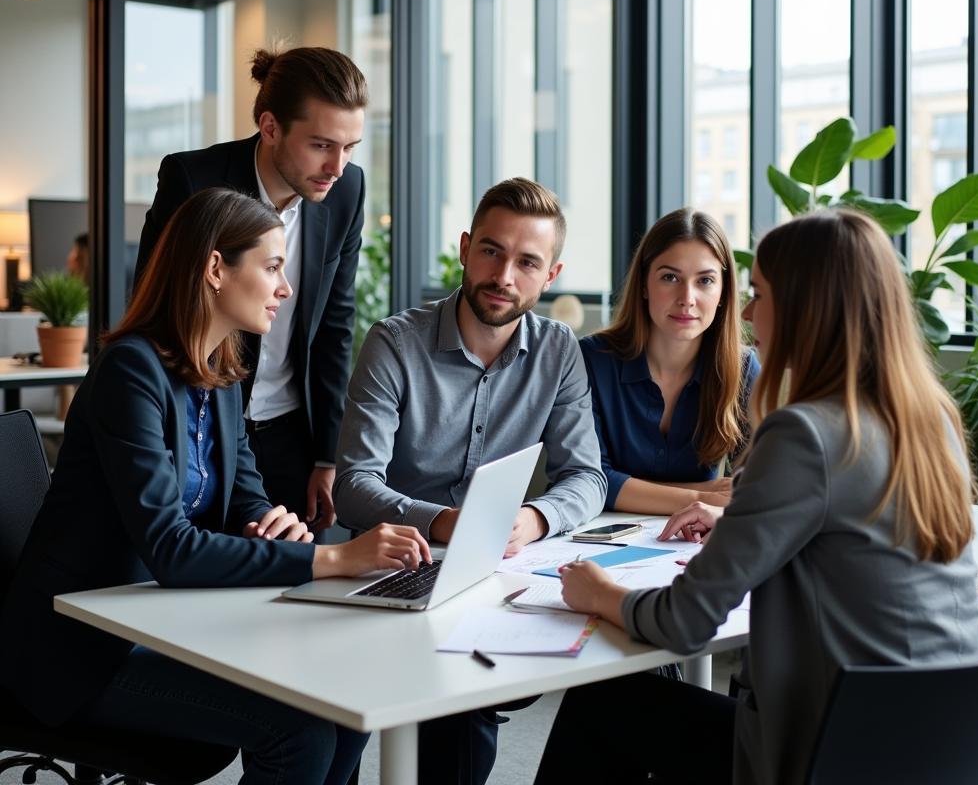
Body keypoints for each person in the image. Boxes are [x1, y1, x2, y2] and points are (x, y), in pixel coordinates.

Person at [535, 207, 978, 785]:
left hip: (838, 751)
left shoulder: (805, 433)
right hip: (950, 740)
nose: (746, 312)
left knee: (604, 704)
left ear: (807, 307)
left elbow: (685, 623)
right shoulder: (930, 418)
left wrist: (600, 593)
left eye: (759, 293)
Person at [0, 188, 431, 784]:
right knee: (299, 731)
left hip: (161, 617)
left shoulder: (222, 373)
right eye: (273, 267)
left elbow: (244, 499)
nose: (285, 288)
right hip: (79, 648)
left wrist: (270, 522)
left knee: (345, 710)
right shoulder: (131, 371)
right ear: (214, 269)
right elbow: (172, 549)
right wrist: (330, 556)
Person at [334, 176, 607, 785]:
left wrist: (534, 519)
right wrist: (444, 521)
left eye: (526, 261)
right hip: (387, 570)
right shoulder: (395, 344)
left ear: (551, 274)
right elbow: (353, 486)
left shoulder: (559, 350)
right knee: (329, 748)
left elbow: (586, 476)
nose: (503, 275)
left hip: (488, 575)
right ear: (464, 248)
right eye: (491, 250)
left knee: (471, 711)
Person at [135, 46, 367, 534]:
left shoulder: (347, 191)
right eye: (322, 145)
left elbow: (334, 324)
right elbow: (158, 311)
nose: (337, 167)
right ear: (270, 127)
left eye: (350, 148)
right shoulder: (193, 181)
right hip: (201, 423)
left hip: (290, 432)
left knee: (295, 584)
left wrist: (329, 454)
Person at [582, 208, 758, 514]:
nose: (687, 298)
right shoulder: (592, 360)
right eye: (670, 277)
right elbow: (592, 481)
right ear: (645, 285)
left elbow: (752, 487)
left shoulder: (742, 369)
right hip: (595, 538)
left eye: (704, 281)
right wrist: (701, 497)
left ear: (723, 293)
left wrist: (702, 497)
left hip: (691, 541)